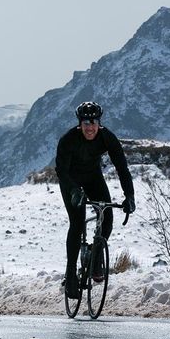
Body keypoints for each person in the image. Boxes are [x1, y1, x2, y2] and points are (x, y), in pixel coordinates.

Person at [55, 102, 135, 299]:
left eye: (94, 123)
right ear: (79, 124)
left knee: (106, 217)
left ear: (99, 123)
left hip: (93, 178)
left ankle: (96, 255)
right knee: (76, 222)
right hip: (71, 181)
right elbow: (61, 171)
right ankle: (71, 274)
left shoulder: (107, 137)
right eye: (85, 123)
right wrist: (74, 190)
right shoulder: (68, 140)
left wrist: (129, 196)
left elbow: (122, 168)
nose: (90, 127)